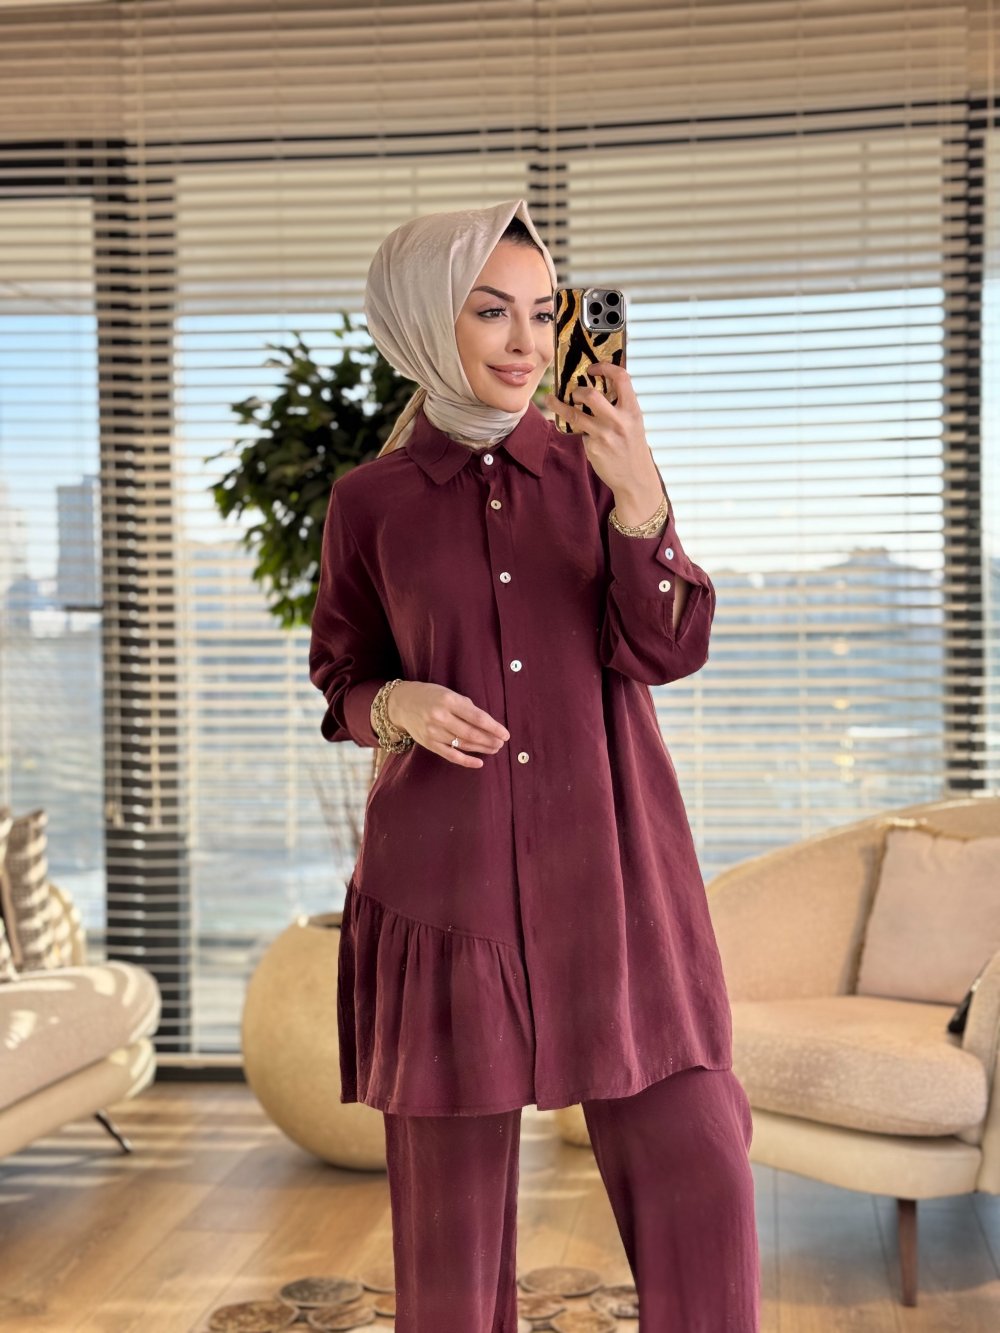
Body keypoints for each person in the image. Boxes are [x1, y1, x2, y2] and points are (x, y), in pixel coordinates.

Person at [308, 198, 760, 1332]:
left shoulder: (594, 467)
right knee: (450, 1246)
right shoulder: (368, 504)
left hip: (617, 872)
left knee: (703, 1170)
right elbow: (342, 680)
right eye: (490, 311)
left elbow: (667, 649)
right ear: (426, 322)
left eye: (543, 312)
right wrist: (396, 703)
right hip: (442, 889)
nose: (524, 342)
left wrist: (640, 496)